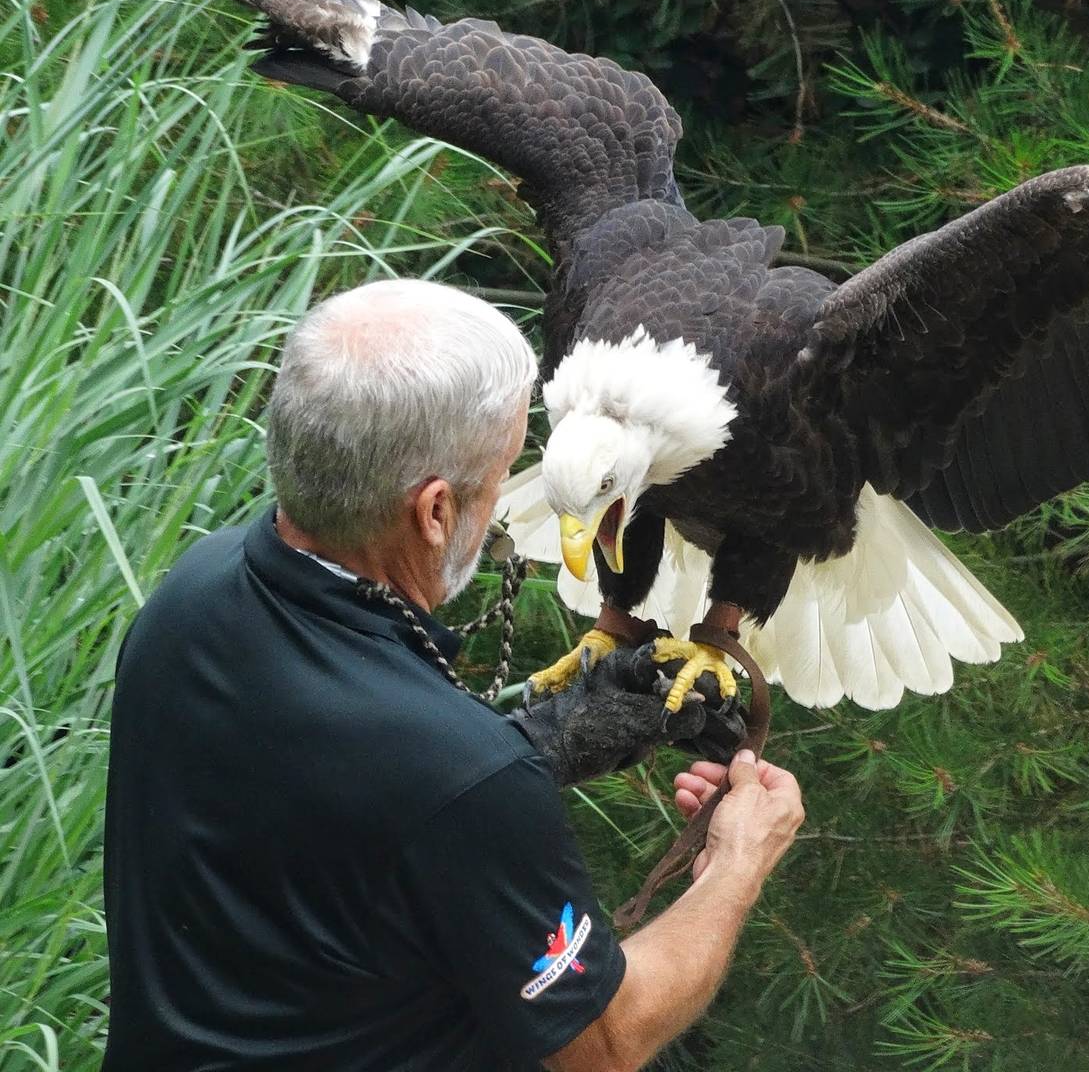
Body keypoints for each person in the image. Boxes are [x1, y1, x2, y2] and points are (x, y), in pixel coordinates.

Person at [103, 278, 805, 1071]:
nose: (507, 499)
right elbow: (605, 1044)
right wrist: (737, 865)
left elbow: (321, 816)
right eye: (504, 468)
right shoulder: (461, 778)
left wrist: (541, 743)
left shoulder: (188, 599)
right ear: (435, 511)